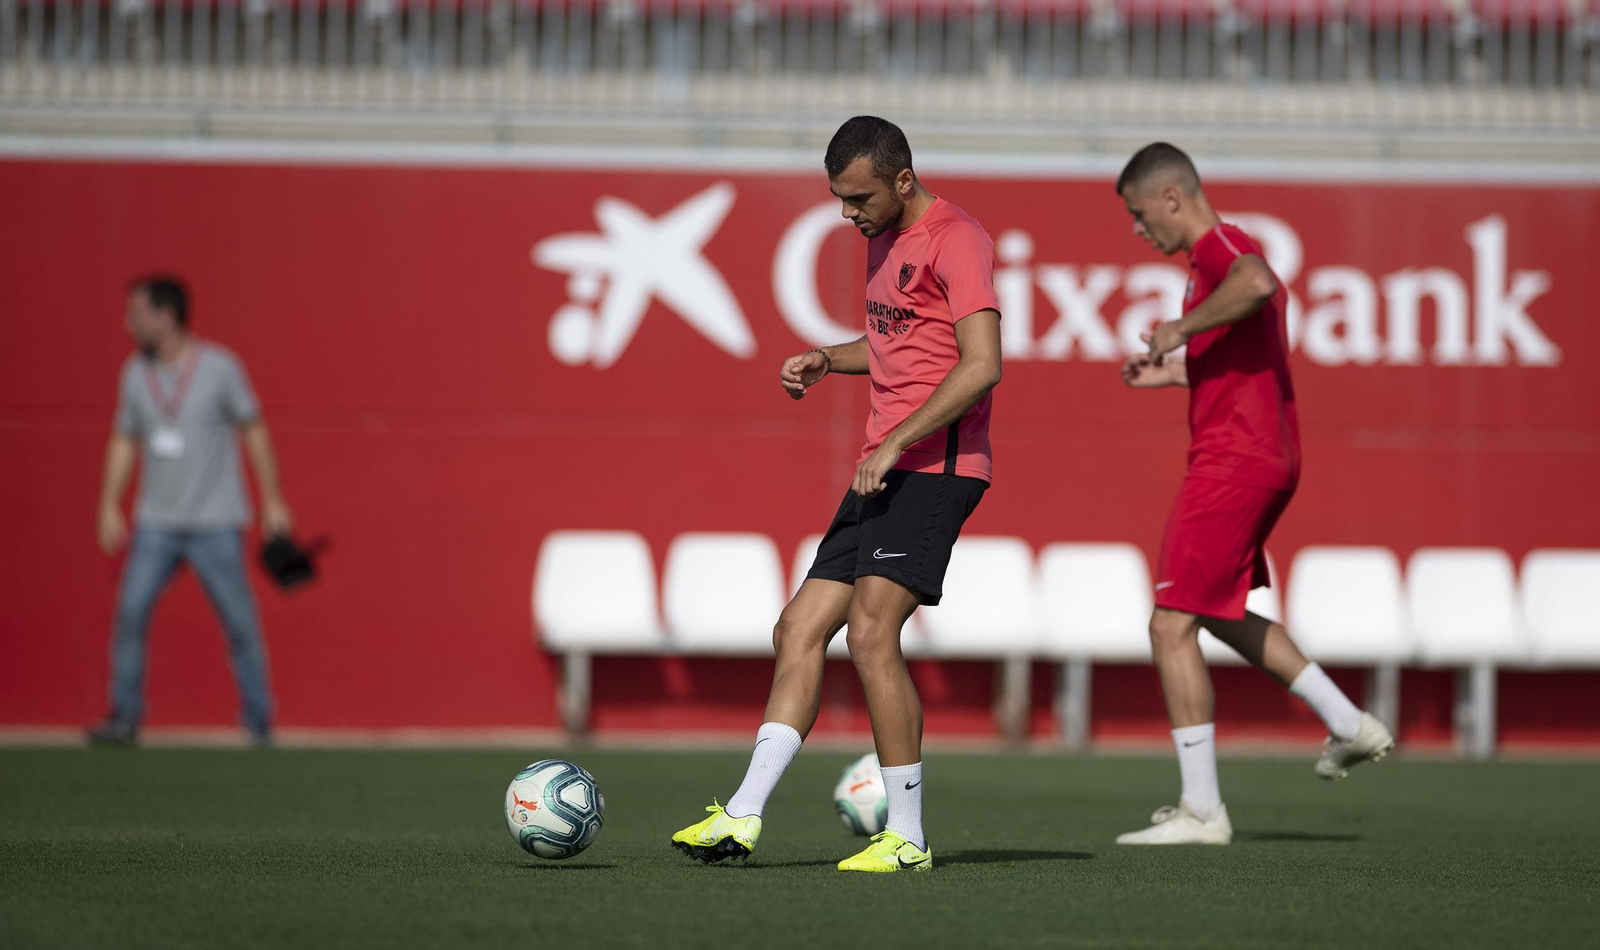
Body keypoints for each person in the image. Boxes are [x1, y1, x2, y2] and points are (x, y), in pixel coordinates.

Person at [670, 116, 1003, 873]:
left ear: (902, 182)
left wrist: (895, 441)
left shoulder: (958, 238)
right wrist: (829, 357)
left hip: (936, 468)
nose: (848, 214)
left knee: (872, 631)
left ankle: (909, 837)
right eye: (839, 200)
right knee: (797, 629)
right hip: (883, 469)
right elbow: (900, 347)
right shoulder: (879, 241)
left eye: (859, 198)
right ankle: (743, 817)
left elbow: (982, 364)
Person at [1113, 143, 1394, 845]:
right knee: (1214, 612)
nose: (1140, 231)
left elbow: (1259, 282)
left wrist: (1179, 328)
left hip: (1234, 460)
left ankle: (1203, 811)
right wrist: (1177, 373)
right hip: (1257, 455)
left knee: (1169, 621)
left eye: (1141, 215)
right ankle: (1348, 724)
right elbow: (1246, 358)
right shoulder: (1208, 259)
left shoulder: (1221, 247)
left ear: (1172, 197)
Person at [88, 276, 294, 748]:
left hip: (215, 521)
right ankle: (124, 716)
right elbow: (124, 439)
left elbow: (254, 429)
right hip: (155, 522)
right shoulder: (134, 373)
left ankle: (259, 722)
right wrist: (107, 503)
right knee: (131, 612)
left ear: (166, 315)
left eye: (136, 313)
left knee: (240, 622)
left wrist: (273, 499)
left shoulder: (221, 368)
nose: (127, 323)